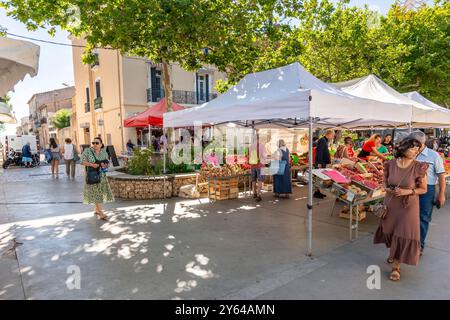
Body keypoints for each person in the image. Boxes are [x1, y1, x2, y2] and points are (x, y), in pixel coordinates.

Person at [373, 138, 428, 281]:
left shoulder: (419, 166)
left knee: (403, 233)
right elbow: (385, 180)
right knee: (390, 231)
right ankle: (393, 254)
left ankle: (396, 267)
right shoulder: (390, 164)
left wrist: (406, 192)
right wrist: (386, 187)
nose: (416, 151)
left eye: (418, 149)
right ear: (403, 149)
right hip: (391, 204)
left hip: (408, 206)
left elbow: (423, 189)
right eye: (413, 148)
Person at [408, 131, 446, 256]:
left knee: (423, 219)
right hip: (409, 189)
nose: (411, 145)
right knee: (408, 218)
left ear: (421, 143)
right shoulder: (408, 153)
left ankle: (419, 247)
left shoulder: (434, 156)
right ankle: (407, 244)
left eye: (413, 142)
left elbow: (441, 176)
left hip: (427, 190)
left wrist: (441, 194)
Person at [81, 137, 114, 220]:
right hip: (93, 175)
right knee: (96, 193)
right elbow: (82, 161)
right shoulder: (88, 151)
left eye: (97, 143)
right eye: (93, 143)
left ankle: (96, 209)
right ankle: (100, 212)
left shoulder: (104, 152)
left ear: (101, 144)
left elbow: (107, 162)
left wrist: (105, 164)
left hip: (102, 175)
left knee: (100, 193)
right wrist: (92, 165)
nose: (95, 144)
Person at [314, 130, 335, 199]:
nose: (332, 137)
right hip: (321, 162)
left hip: (322, 162)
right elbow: (319, 152)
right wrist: (319, 162)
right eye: (332, 135)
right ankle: (316, 192)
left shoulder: (324, 140)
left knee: (319, 178)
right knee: (318, 178)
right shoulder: (322, 140)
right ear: (329, 134)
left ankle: (318, 191)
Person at [249, 131, 267, 202]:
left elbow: (249, 156)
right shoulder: (262, 146)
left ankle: (254, 193)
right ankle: (259, 194)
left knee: (253, 180)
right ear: (259, 138)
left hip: (253, 165)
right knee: (260, 180)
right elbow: (264, 156)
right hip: (260, 165)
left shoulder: (250, 146)